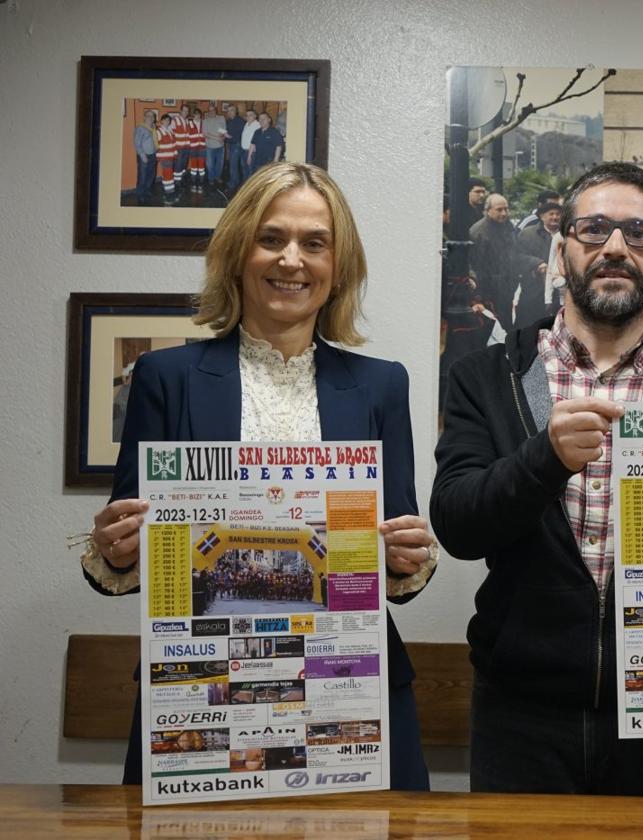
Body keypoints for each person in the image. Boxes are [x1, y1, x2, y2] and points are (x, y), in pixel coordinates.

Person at [81, 161, 437, 791]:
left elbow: (396, 561)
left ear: (338, 266)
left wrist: (408, 556)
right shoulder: (166, 379)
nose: (292, 260)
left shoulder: (383, 385)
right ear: (237, 252)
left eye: (314, 243)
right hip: (200, 685)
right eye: (271, 238)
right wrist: (114, 551)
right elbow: (127, 555)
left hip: (346, 684)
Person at [431, 161, 643, 796]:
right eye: (594, 229)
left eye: (639, 234)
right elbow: (458, 523)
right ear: (563, 250)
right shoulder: (485, 373)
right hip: (521, 712)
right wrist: (544, 458)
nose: (614, 247)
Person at [469, 193, 542, 331]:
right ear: (488, 210)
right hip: (488, 290)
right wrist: (479, 295)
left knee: (506, 325)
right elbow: (476, 265)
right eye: (499, 209)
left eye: (506, 209)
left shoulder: (508, 226)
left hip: (506, 287)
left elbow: (515, 254)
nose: (504, 213)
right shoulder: (478, 232)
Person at [132, 110, 157, 205]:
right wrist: (142, 156)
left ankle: (147, 192)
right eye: (148, 116)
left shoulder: (153, 127)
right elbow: (137, 143)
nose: (151, 118)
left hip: (152, 155)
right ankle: (140, 195)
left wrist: (155, 151)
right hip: (144, 156)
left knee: (151, 176)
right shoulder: (140, 128)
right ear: (144, 117)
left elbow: (154, 141)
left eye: (152, 116)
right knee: (142, 176)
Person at [202, 104, 227, 189]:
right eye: (210, 110)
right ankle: (211, 178)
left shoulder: (221, 118)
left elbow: (223, 129)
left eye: (213, 110)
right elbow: (205, 134)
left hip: (220, 146)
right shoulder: (205, 121)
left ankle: (217, 177)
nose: (211, 112)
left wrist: (223, 136)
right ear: (208, 112)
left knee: (220, 163)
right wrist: (217, 138)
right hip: (210, 146)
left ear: (215, 110)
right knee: (210, 164)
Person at [223, 104, 247, 190]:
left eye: (231, 110)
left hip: (237, 145)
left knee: (233, 165)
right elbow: (227, 133)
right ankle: (236, 180)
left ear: (236, 111)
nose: (229, 112)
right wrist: (224, 137)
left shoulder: (240, 120)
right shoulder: (228, 121)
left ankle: (232, 183)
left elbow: (242, 135)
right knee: (234, 165)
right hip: (231, 145)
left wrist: (230, 137)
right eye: (228, 111)